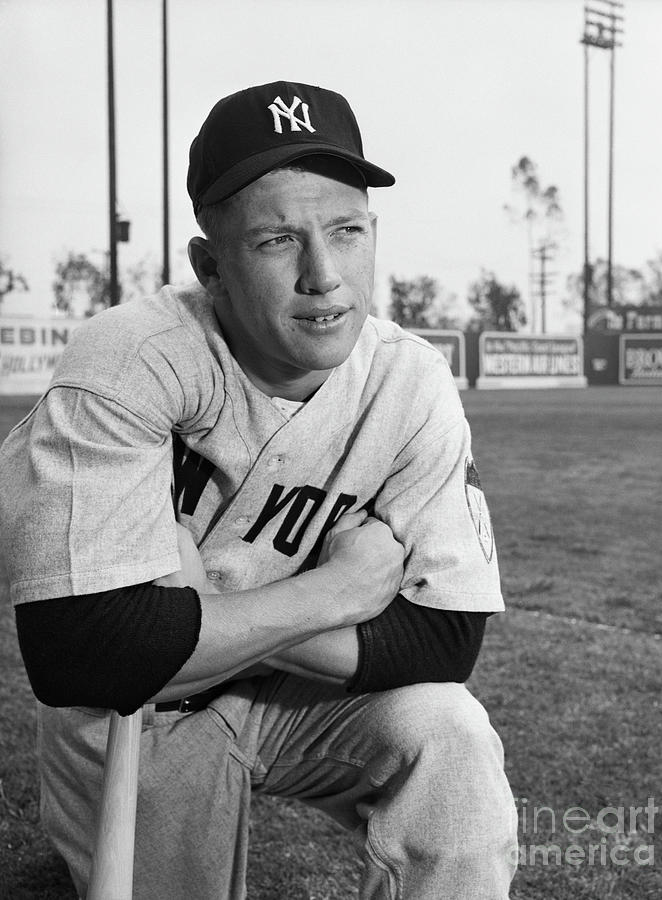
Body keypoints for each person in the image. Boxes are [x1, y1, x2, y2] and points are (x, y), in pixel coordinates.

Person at [0, 80, 517, 899]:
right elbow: (82, 654)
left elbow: (446, 638)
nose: (324, 276)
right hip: (139, 716)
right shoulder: (133, 361)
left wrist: (191, 613)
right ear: (212, 266)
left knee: (446, 731)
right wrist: (336, 591)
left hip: (294, 700)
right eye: (278, 240)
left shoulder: (408, 380)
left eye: (346, 232)